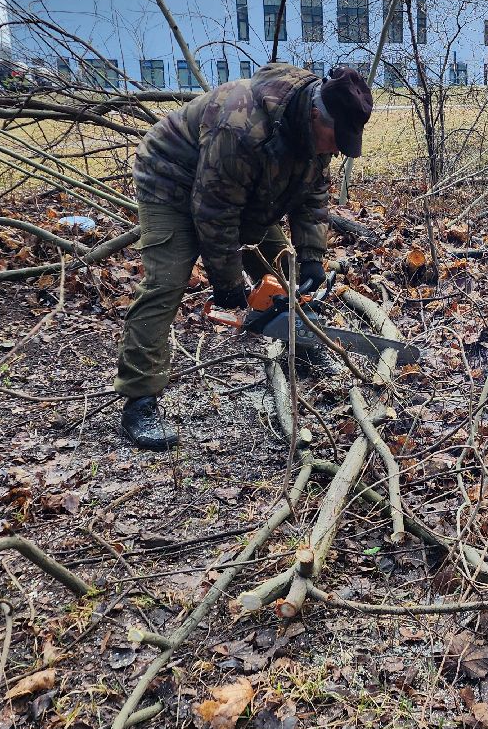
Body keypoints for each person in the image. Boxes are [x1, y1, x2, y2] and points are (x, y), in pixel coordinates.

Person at [115, 62, 373, 451]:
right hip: (172, 179)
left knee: (284, 272)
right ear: (317, 113)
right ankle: (140, 401)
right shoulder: (241, 123)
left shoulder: (314, 133)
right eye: (337, 137)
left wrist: (311, 257)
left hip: (241, 191)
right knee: (165, 283)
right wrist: (228, 282)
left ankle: (305, 346)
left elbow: (313, 197)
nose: (338, 147)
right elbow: (214, 212)